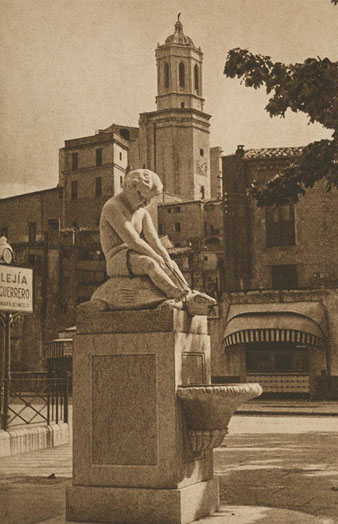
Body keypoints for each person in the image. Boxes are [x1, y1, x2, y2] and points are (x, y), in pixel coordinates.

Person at [99, 168, 190, 301]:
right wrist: (155, 256)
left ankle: (187, 290)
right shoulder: (112, 207)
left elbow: (155, 242)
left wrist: (166, 259)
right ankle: (174, 293)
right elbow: (133, 241)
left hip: (135, 253)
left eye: (150, 199)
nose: (146, 203)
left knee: (170, 262)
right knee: (149, 263)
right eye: (142, 197)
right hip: (116, 258)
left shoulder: (142, 213)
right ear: (132, 187)